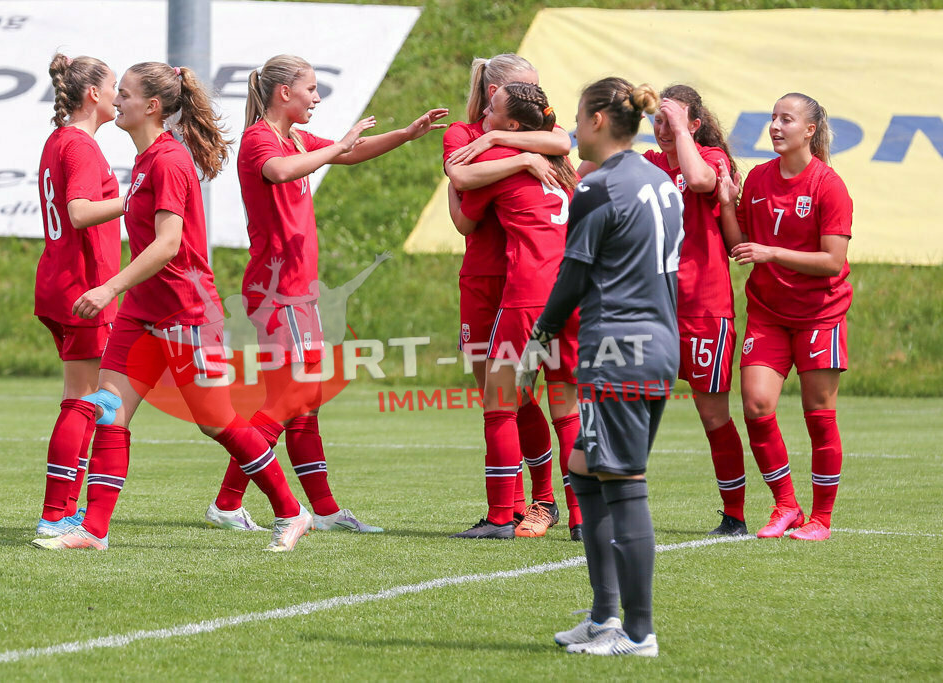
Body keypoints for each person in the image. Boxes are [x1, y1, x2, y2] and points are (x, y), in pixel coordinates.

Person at [33, 62, 311, 552]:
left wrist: (108, 288)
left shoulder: (167, 160)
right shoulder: (143, 161)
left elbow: (167, 245)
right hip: (143, 313)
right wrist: (124, 293)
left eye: (124, 93)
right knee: (111, 414)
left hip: (187, 312)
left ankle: (292, 512)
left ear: (152, 106)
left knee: (216, 421)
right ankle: (93, 529)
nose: (116, 100)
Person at [205, 54, 448, 534]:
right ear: (283, 93)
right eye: (311, 89)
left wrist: (404, 135)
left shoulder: (292, 137)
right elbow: (280, 173)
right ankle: (228, 502)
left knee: (303, 402)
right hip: (278, 295)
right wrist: (337, 146)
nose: (317, 98)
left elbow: (348, 153)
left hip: (299, 294)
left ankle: (326, 509)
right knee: (295, 398)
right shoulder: (260, 140)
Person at [524, 77, 681, 656]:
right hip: (657, 343)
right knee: (585, 468)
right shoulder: (661, 181)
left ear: (595, 120)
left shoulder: (598, 186)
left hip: (620, 346)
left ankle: (637, 634)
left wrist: (539, 334)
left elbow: (574, 275)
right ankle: (602, 618)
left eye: (576, 115)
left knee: (622, 480)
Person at [444, 54, 582, 539]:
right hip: (549, 289)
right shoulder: (556, 164)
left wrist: (506, 149)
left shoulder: (507, 148)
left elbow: (464, 209)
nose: (544, 104)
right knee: (561, 402)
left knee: (501, 402)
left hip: (524, 291)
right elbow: (559, 146)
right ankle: (575, 514)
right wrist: (521, 152)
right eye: (527, 88)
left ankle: (510, 512)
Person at [716, 93, 852, 542]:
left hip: (820, 314)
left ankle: (822, 519)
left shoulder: (827, 185)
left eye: (786, 119)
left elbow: (833, 262)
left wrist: (772, 252)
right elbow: (741, 247)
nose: (775, 125)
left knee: (819, 413)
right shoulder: (758, 177)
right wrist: (727, 203)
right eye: (773, 118)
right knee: (756, 406)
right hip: (768, 313)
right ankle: (786, 505)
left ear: (809, 130)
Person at [645, 85, 748, 535]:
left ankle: (735, 514)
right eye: (657, 118)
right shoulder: (647, 163)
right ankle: (612, 508)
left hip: (704, 307)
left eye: (672, 118)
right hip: (653, 308)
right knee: (636, 408)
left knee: (713, 415)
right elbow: (590, 168)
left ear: (695, 124)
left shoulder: (712, 159)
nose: (662, 127)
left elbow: (702, 181)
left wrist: (682, 131)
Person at [33, 53, 123, 537]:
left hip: (58, 283)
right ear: (93, 94)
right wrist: (135, 198)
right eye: (114, 85)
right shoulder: (82, 146)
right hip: (83, 289)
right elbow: (81, 212)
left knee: (86, 399)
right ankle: (55, 517)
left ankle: (66, 510)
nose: (118, 95)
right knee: (83, 401)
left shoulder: (58, 139)